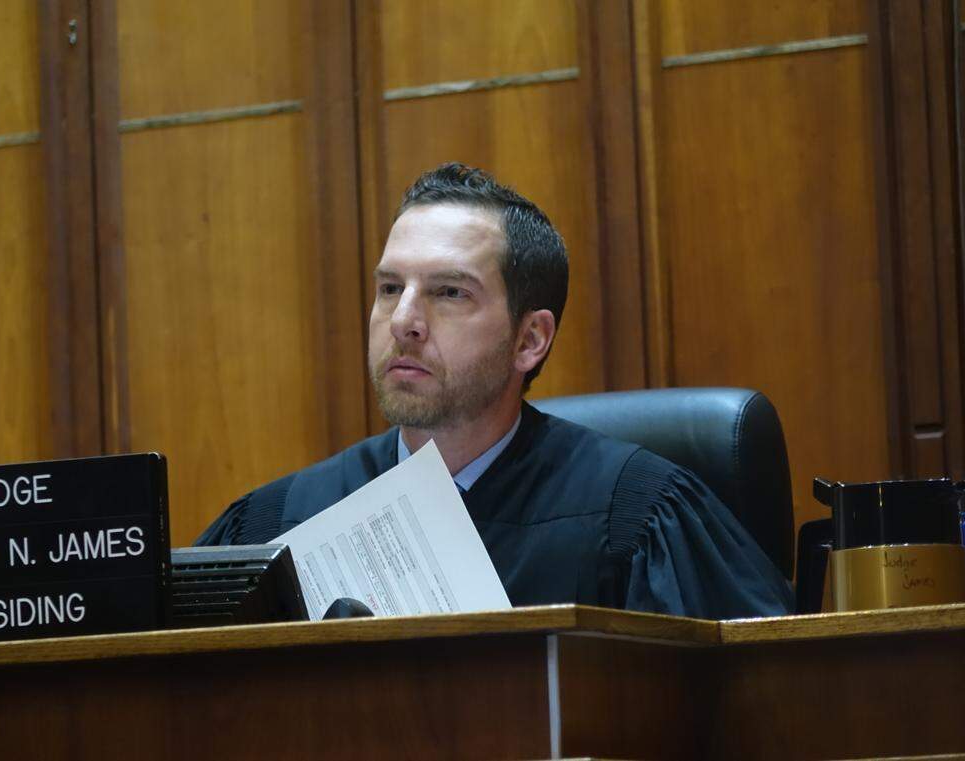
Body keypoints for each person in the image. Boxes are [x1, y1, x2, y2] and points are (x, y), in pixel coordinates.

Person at [196, 162, 794, 619]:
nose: (404, 319)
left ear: (530, 339)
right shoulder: (275, 525)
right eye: (388, 288)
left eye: (449, 292)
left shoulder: (638, 519)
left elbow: (763, 704)